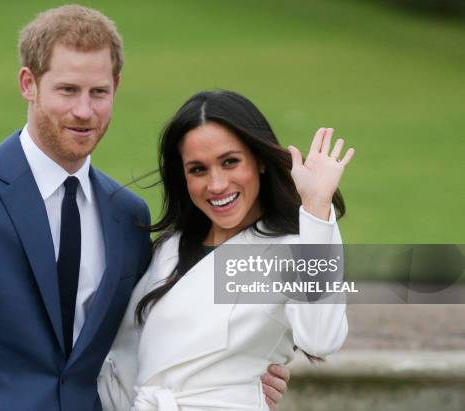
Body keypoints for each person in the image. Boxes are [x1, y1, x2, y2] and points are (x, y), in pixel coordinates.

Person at [0, 7, 289, 411]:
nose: (84, 111)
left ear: (116, 88)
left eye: (98, 92)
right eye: (67, 90)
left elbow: (150, 329)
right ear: (28, 83)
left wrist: (238, 370)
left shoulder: (128, 215)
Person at [98, 90, 354, 410]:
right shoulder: (170, 247)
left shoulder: (290, 250)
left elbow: (322, 339)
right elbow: (130, 356)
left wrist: (317, 207)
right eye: (198, 169)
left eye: (230, 162)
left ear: (259, 160)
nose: (216, 184)